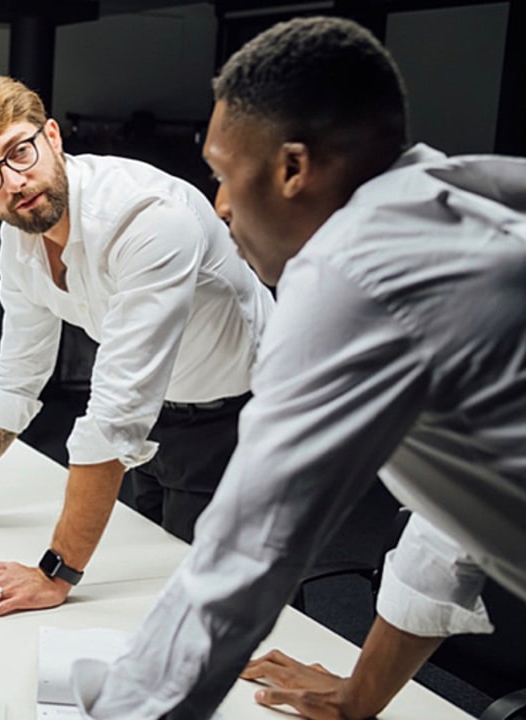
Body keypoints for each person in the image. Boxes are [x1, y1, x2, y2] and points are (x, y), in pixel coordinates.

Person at [73, 17, 526, 719]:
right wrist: (359, 696)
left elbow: (251, 549)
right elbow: (457, 509)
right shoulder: (465, 200)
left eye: (224, 174)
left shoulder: (352, 266)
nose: (219, 205)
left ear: (292, 167)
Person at [0, 76, 271, 619]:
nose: (12, 181)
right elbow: (16, 378)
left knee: (215, 617)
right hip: (157, 424)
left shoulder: (147, 218)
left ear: (52, 136)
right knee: (148, 595)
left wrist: (54, 573)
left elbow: (114, 412)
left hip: (242, 421)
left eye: (19, 152)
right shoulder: (20, 235)